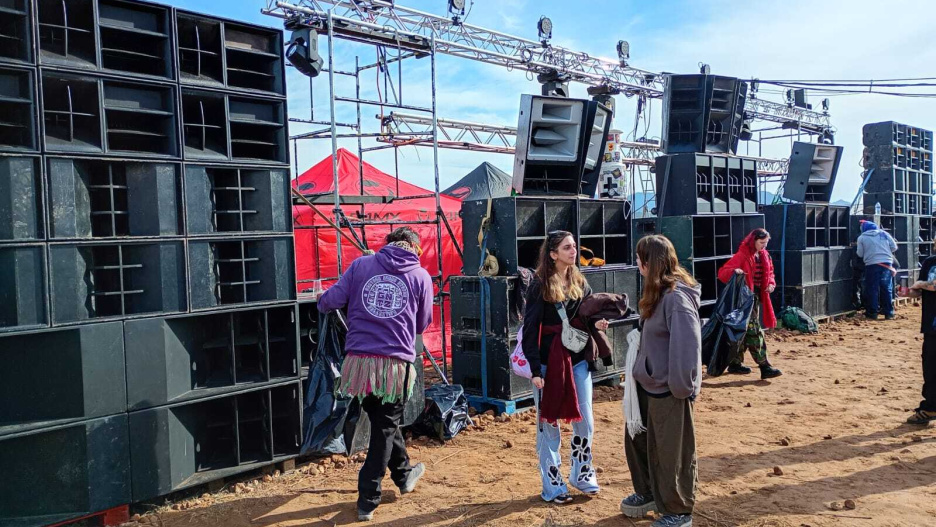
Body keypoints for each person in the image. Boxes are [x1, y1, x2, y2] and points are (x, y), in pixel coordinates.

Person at [317, 227, 433, 522]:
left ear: (388, 245)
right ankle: (368, 497)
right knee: (384, 428)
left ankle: (404, 474)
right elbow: (423, 323)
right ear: (415, 248)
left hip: (361, 365)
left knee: (384, 423)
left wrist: (322, 298)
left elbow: (329, 301)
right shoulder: (420, 276)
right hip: (395, 367)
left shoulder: (361, 265)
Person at [522, 230, 610, 504]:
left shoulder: (580, 281)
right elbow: (529, 329)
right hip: (548, 365)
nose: (574, 251)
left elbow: (587, 317)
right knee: (548, 424)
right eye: (567, 248)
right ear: (553, 254)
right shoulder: (539, 285)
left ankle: (581, 473)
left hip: (577, 360)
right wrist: (535, 370)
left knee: (585, 420)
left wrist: (597, 324)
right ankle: (553, 486)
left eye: (574, 247)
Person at [620, 235, 701, 527]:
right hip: (646, 386)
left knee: (671, 451)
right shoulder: (657, 293)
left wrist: (681, 389)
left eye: (639, 258)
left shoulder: (677, 299)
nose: (637, 263)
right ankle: (649, 493)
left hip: (669, 390)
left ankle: (678, 511)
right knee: (638, 442)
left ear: (648, 262)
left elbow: (687, 348)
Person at [716, 228, 782, 379]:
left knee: (744, 331)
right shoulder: (742, 255)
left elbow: (770, 273)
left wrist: (771, 284)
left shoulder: (765, 255)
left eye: (766, 243)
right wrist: (736, 272)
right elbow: (723, 273)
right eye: (761, 243)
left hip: (756, 298)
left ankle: (735, 363)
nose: (764, 246)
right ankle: (764, 366)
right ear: (754, 241)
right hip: (743, 301)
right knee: (754, 330)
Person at [899, 246, 936, 425]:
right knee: (930, 369)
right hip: (931, 326)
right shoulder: (930, 262)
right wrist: (908, 292)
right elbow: (919, 291)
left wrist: (921, 285)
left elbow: (929, 286)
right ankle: (929, 408)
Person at [856, 220, 898, 320]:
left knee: (872, 289)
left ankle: (872, 313)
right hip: (886, 264)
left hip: (872, 265)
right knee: (886, 288)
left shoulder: (862, 237)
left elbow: (860, 254)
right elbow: (894, 247)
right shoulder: (884, 234)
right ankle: (889, 313)